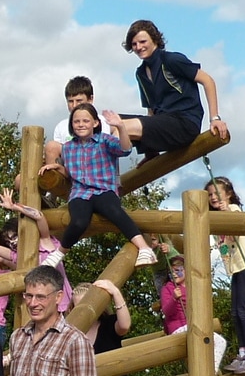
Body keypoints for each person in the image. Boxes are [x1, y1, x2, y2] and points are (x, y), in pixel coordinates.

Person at [40, 104, 157, 270]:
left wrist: (121, 127)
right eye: (76, 121)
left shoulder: (104, 140)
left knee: (115, 212)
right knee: (79, 222)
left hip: (104, 189)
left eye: (85, 121)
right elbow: (71, 172)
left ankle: (144, 248)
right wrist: (58, 168)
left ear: (95, 123)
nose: (81, 124)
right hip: (80, 192)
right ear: (71, 125)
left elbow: (125, 150)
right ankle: (59, 252)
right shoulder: (68, 148)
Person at [118, 19, 229, 160]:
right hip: (163, 124)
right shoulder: (141, 73)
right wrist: (150, 150)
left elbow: (208, 81)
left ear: (155, 40)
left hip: (184, 123)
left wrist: (215, 118)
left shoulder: (171, 60)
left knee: (121, 125)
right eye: (134, 44)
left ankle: (105, 179)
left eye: (143, 42)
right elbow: (151, 111)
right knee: (107, 123)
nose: (138, 47)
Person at [206, 176, 245, 373]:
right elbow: (222, 247)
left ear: (228, 194)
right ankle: (243, 352)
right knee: (235, 312)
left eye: (217, 193)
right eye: (210, 195)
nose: (213, 197)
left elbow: (237, 230)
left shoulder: (234, 210)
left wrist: (226, 211)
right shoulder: (214, 219)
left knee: (243, 309)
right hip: (236, 268)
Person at [159, 254, 228, 372]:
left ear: (186, 271)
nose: (174, 274)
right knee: (216, 340)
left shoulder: (192, 288)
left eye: (177, 271)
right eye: (171, 272)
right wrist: (174, 298)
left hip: (191, 325)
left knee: (217, 342)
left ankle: (210, 369)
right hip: (178, 328)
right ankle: (212, 371)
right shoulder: (168, 288)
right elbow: (167, 311)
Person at [42, 75, 111, 173]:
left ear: (90, 99)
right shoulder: (61, 126)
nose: (74, 105)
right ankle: (54, 181)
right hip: (68, 169)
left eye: (79, 101)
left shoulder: (101, 121)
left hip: (93, 167)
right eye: (70, 101)